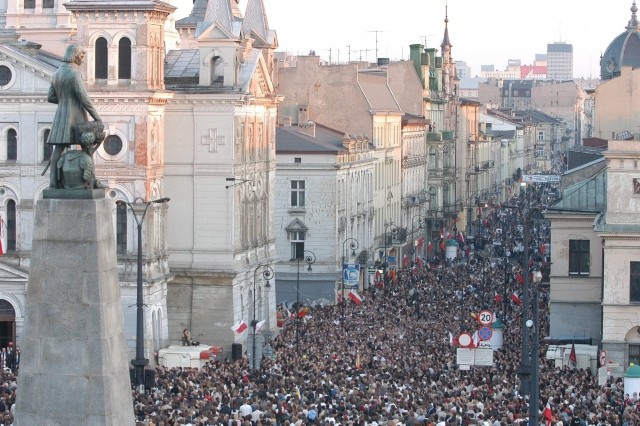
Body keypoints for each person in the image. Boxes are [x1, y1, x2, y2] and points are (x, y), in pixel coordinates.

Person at [46, 44, 102, 189]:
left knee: (58, 150)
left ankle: (53, 181)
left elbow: (51, 97)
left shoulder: (57, 73)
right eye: (81, 56)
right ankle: (93, 181)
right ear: (75, 55)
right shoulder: (74, 73)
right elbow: (84, 97)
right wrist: (96, 117)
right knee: (87, 147)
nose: (82, 60)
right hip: (76, 115)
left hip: (60, 116)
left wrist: (64, 98)